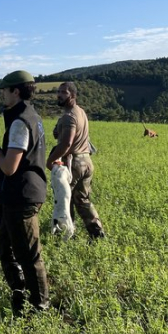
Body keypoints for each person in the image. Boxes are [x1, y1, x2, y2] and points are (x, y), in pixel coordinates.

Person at [0, 70, 50, 315]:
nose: (2, 93)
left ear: (16, 91)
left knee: (29, 255)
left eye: (5, 89)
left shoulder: (20, 121)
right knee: (4, 246)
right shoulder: (31, 116)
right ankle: (19, 290)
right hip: (18, 196)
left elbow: (10, 167)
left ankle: (40, 307)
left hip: (22, 196)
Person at [46, 82, 105, 241]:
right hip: (86, 161)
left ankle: (65, 236)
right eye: (58, 92)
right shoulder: (81, 112)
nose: (59, 95)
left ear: (73, 95)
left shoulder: (69, 116)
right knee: (82, 200)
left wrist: (50, 161)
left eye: (63, 92)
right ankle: (97, 234)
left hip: (73, 163)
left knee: (66, 200)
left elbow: (66, 144)